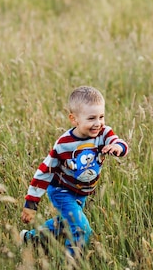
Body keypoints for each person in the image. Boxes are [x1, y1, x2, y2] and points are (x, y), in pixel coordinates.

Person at [20, 86, 129, 256]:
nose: (98, 123)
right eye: (91, 118)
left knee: (65, 223)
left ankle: (30, 239)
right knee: (81, 229)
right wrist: (31, 203)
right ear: (74, 119)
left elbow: (120, 143)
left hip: (82, 192)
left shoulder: (103, 133)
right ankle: (71, 265)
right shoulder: (64, 144)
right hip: (62, 191)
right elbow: (44, 172)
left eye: (101, 117)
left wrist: (117, 147)